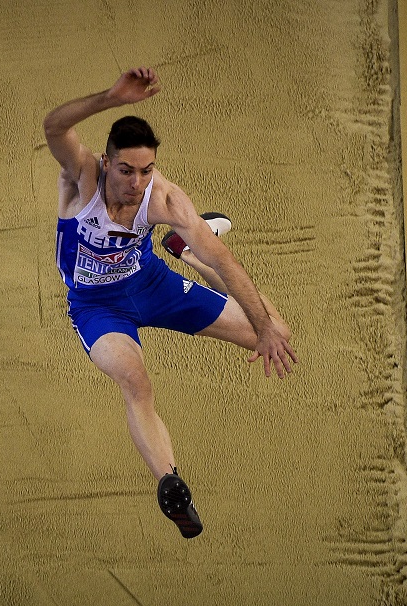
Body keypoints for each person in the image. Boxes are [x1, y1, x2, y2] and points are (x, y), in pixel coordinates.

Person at [42, 66, 297, 539]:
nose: (136, 183)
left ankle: (179, 252)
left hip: (151, 284)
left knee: (275, 329)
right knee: (134, 379)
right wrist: (110, 98)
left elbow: (223, 258)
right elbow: (54, 126)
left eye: (146, 170)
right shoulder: (82, 176)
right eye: (126, 170)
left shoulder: (164, 200)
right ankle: (171, 483)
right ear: (107, 160)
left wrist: (263, 328)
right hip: (98, 307)